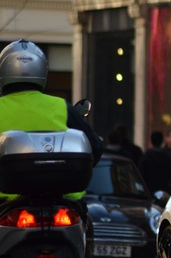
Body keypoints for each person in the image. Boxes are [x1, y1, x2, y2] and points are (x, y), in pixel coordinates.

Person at [0, 39, 103, 197]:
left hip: (6, 202)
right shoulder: (61, 106)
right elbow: (95, 147)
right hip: (63, 200)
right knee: (85, 219)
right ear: (41, 70)